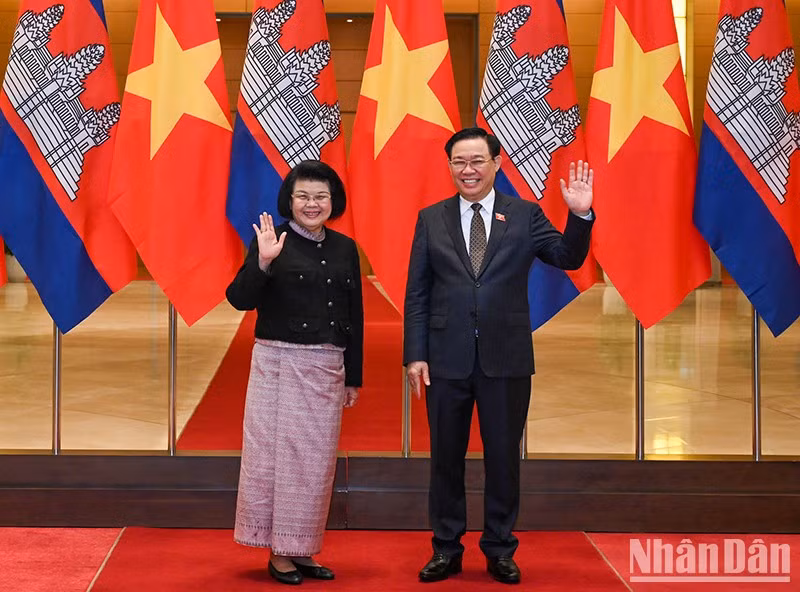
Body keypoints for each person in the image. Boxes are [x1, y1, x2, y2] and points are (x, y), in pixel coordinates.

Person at [404, 127, 594, 584]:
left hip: (505, 359)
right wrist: (416, 354)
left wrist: (581, 215)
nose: (467, 170)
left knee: (504, 458)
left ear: (497, 162)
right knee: (445, 458)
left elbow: (567, 258)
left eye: (476, 161)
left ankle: (499, 548)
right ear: (449, 167)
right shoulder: (431, 218)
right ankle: (446, 548)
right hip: (444, 361)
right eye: (458, 163)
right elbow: (418, 292)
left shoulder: (525, 216)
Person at [226, 160, 363, 585]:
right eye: (303, 196)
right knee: (275, 461)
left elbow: (354, 314)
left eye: (321, 196)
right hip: (278, 365)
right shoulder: (272, 241)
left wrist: (354, 374)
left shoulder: (343, 247)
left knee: (315, 464)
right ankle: (277, 553)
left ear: (332, 201)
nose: (311, 204)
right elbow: (239, 299)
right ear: (290, 199)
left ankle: (301, 548)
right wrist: (263, 262)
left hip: (326, 368)